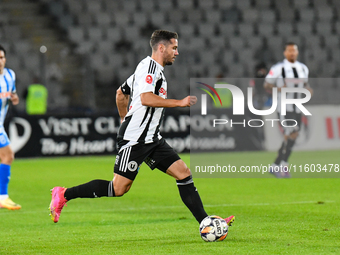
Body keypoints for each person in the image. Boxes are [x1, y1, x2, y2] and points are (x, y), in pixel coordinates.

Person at [49, 30, 235, 229]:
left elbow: (121, 93)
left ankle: (206, 223)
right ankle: (64, 194)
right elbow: (146, 98)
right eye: (174, 47)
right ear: (161, 47)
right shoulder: (148, 67)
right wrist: (178, 103)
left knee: (183, 173)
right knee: (118, 188)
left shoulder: (148, 70)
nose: (177, 52)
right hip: (136, 138)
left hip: (152, 139)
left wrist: (123, 118)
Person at [264, 42, 313, 178]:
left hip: (298, 107)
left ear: (297, 52)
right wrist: (279, 89)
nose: (292, 53)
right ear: (285, 53)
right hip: (284, 107)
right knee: (290, 132)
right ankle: (282, 165)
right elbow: (267, 85)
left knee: (294, 135)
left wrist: (308, 90)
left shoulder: (303, 68)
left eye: (294, 50)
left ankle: (276, 165)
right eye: (289, 50)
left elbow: (305, 85)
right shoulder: (279, 68)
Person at [0, 45, 21, 210]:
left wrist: (14, 98)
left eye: (1, 58)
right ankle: (3, 197)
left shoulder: (10, 75)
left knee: (5, 157)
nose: (0, 61)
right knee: (8, 155)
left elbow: (12, 94)